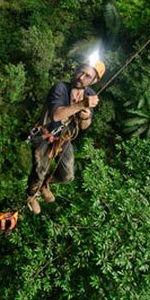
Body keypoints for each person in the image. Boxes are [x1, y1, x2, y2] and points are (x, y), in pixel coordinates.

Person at [25, 59, 105, 214]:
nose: (81, 77)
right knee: (39, 171)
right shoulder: (60, 88)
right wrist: (81, 105)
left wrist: (86, 117)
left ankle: (44, 185)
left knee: (67, 175)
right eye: (80, 71)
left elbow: (84, 127)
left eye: (87, 76)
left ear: (94, 81)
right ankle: (30, 195)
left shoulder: (90, 94)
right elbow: (56, 115)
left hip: (63, 138)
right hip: (44, 135)